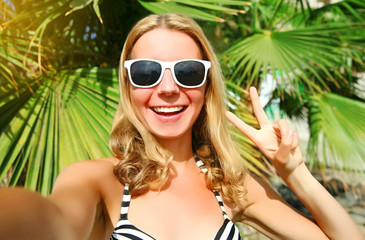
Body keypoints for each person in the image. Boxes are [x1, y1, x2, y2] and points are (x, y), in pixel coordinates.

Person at [0, 13, 363, 240]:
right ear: (128, 86)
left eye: (188, 72)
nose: (169, 88)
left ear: (206, 86)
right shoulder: (99, 180)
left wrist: (294, 171)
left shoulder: (230, 185)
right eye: (147, 73)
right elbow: (48, 221)